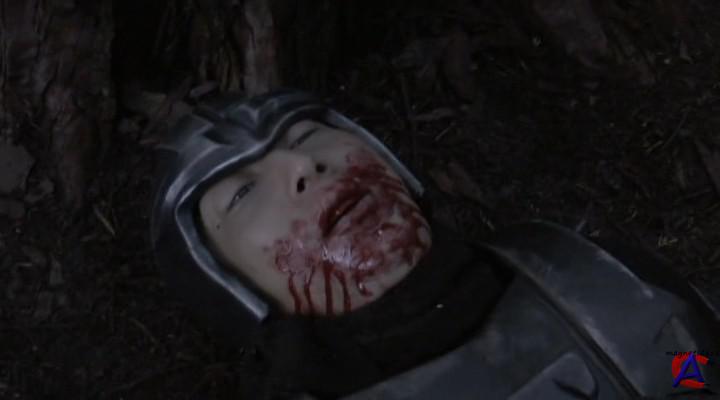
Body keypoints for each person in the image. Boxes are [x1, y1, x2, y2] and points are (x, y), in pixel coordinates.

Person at [152, 90, 720, 399]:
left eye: (306, 134)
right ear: (226, 283)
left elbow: (689, 359)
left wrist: (688, 378)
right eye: (242, 193)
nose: (303, 164)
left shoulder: (602, 280)